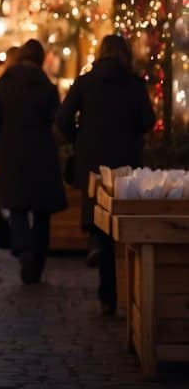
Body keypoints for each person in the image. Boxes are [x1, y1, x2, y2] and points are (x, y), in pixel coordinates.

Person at [57, 34, 155, 312]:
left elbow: (62, 118)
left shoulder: (86, 82)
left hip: (92, 163)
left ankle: (107, 294)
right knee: (125, 226)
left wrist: (79, 138)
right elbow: (148, 121)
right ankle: (130, 293)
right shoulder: (135, 85)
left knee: (99, 223)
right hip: (126, 163)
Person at [0, 39, 65, 284]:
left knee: (18, 206)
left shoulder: (5, 83)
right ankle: (37, 262)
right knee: (42, 212)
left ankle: (24, 250)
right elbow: (57, 122)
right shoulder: (48, 87)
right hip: (42, 152)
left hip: (12, 152)